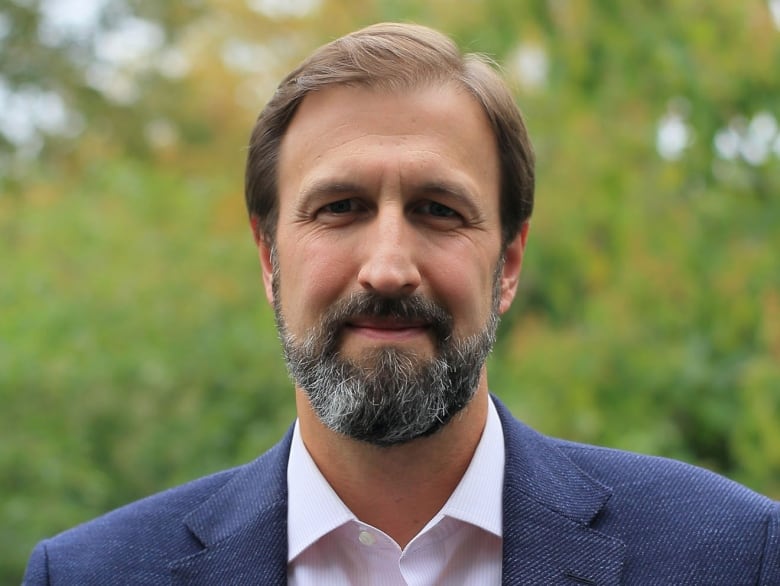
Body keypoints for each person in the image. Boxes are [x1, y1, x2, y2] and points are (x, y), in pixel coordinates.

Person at [23, 22, 779, 586]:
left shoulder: (730, 556)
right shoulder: (90, 574)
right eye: (341, 207)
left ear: (509, 261)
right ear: (268, 257)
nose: (388, 268)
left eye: (439, 210)